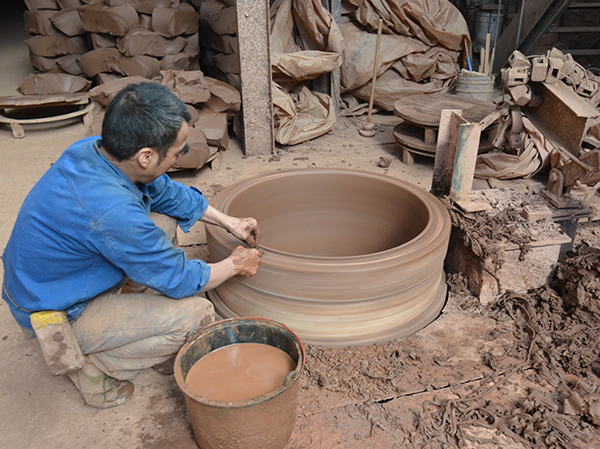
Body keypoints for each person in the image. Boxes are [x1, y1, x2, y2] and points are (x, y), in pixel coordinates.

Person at [1, 82, 261, 408]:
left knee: (163, 221)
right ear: (146, 156)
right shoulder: (112, 210)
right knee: (197, 313)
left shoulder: (94, 149)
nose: (182, 154)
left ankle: (129, 304)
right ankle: (95, 369)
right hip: (54, 307)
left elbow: (166, 192)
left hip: (54, 276)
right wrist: (235, 265)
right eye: (178, 151)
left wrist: (228, 222)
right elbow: (181, 280)